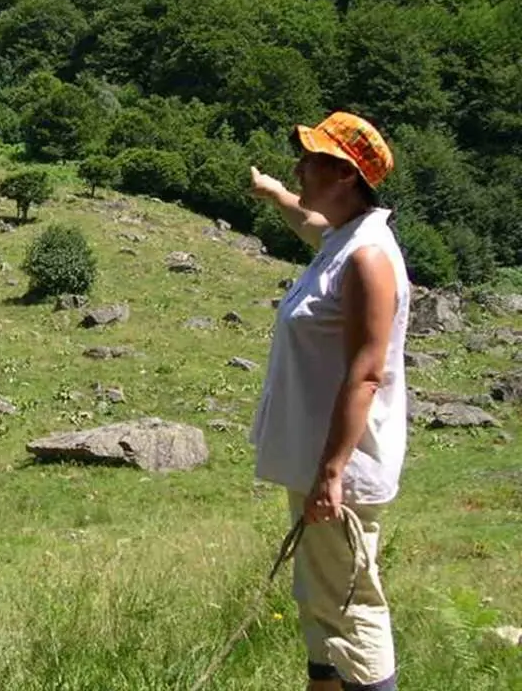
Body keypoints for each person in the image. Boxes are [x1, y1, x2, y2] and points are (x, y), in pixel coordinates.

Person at [249, 111, 411, 691]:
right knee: (322, 600)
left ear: (345, 175)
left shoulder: (369, 257)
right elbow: (306, 220)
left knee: (351, 608)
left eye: (312, 161)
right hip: (318, 464)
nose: (300, 168)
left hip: (339, 469)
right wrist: (271, 192)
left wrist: (332, 471)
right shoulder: (343, 238)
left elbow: (367, 373)